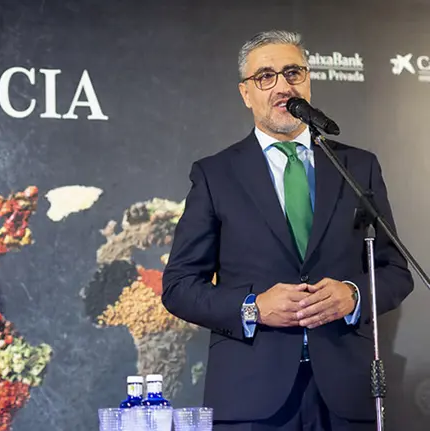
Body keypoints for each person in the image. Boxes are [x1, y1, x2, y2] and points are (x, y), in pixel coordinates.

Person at [161, 30, 413, 430]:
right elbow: (179, 286)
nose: (283, 86)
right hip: (250, 398)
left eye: (293, 73)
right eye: (266, 76)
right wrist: (253, 308)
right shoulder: (216, 175)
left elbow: (396, 271)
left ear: (308, 80)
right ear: (246, 93)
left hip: (347, 395)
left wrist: (353, 295)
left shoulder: (357, 167)